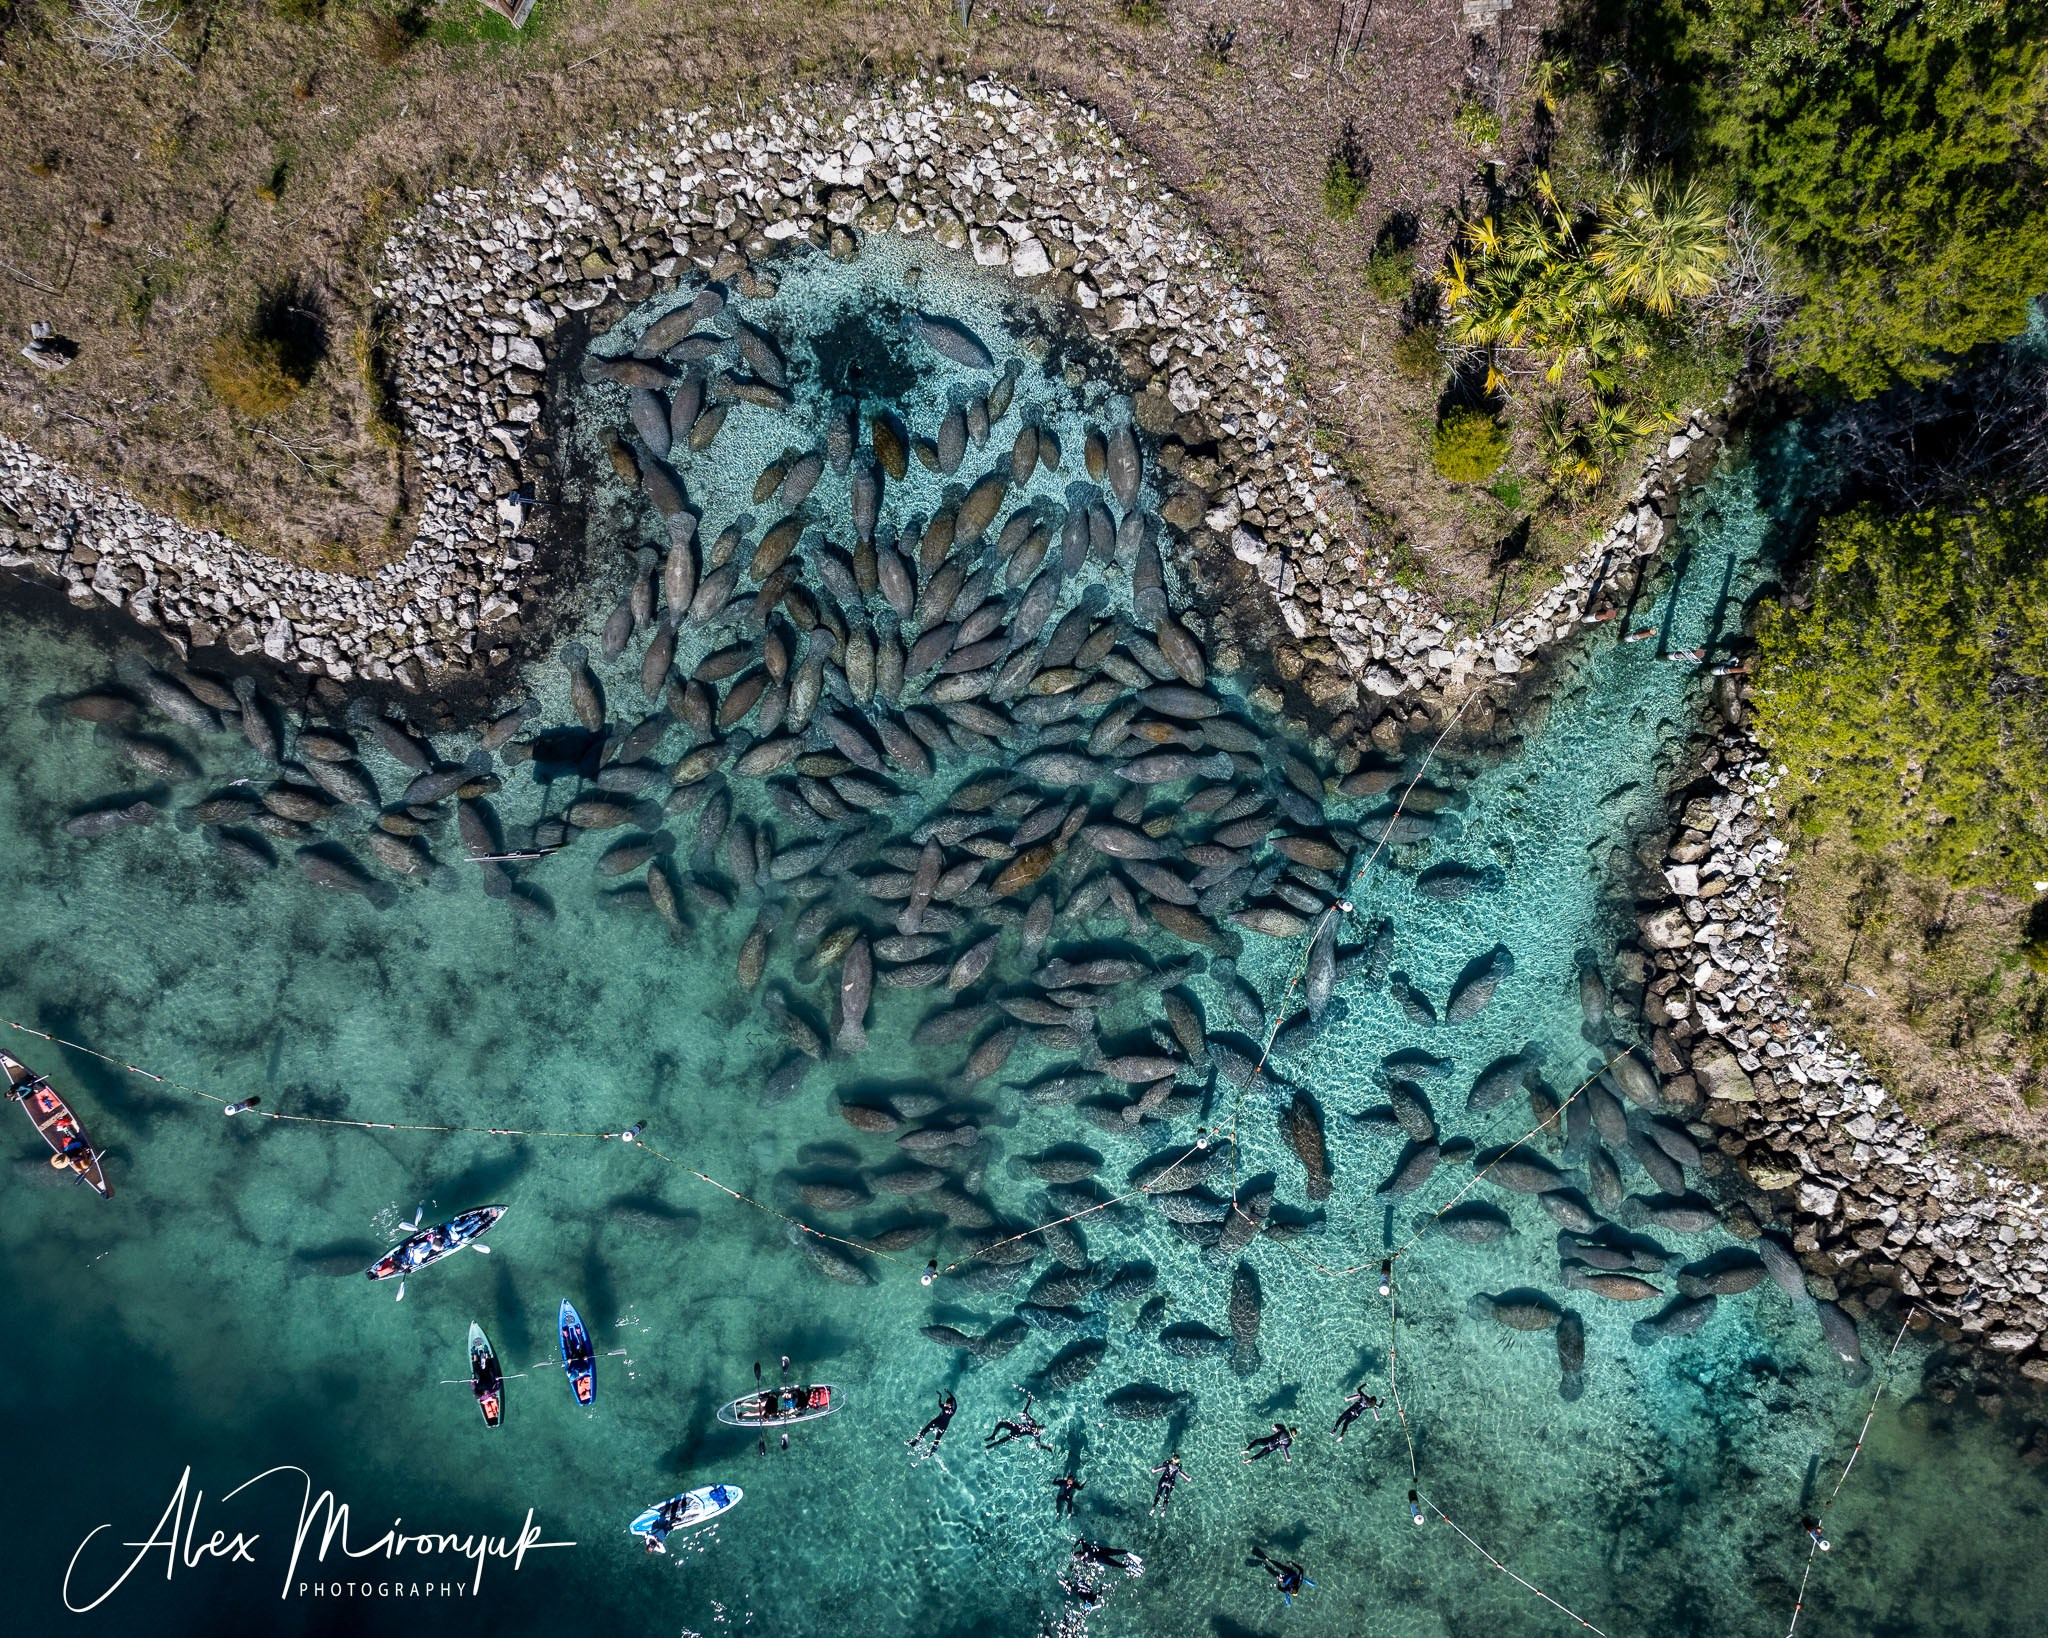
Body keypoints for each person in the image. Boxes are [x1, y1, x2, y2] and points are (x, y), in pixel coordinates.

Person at [985, 1388, 1051, 1452]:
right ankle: (993, 1436)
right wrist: (1028, 1402)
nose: (1040, 1428)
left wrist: (1047, 1448)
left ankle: (993, 1444)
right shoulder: (1033, 1423)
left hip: (1017, 1433)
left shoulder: (1036, 1434)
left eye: (1041, 1429)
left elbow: (1038, 1446)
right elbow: (1025, 1412)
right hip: (1015, 1427)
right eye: (1041, 1427)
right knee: (1001, 1424)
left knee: (1004, 1439)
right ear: (1040, 1425)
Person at [906, 1391, 957, 1462]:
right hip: (944, 1425)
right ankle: (932, 1452)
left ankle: (915, 1442)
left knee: (925, 1430)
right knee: (937, 1438)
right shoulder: (954, 1410)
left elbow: (940, 1404)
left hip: (937, 1421)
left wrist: (940, 1396)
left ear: (947, 1404)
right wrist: (950, 1394)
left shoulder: (944, 1407)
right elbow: (954, 1400)